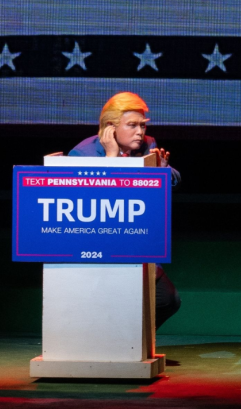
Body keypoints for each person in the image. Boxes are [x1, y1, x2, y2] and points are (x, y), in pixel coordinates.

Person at [68, 91, 181, 329]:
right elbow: (93, 207)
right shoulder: (82, 154)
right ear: (110, 127)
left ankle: (130, 340)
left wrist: (161, 173)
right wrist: (111, 158)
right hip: (99, 248)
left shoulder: (147, 144)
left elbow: (173, 179)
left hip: (135, 244)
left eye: (142, 125)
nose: (140, 132)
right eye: (132, 125)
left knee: (167, 300)